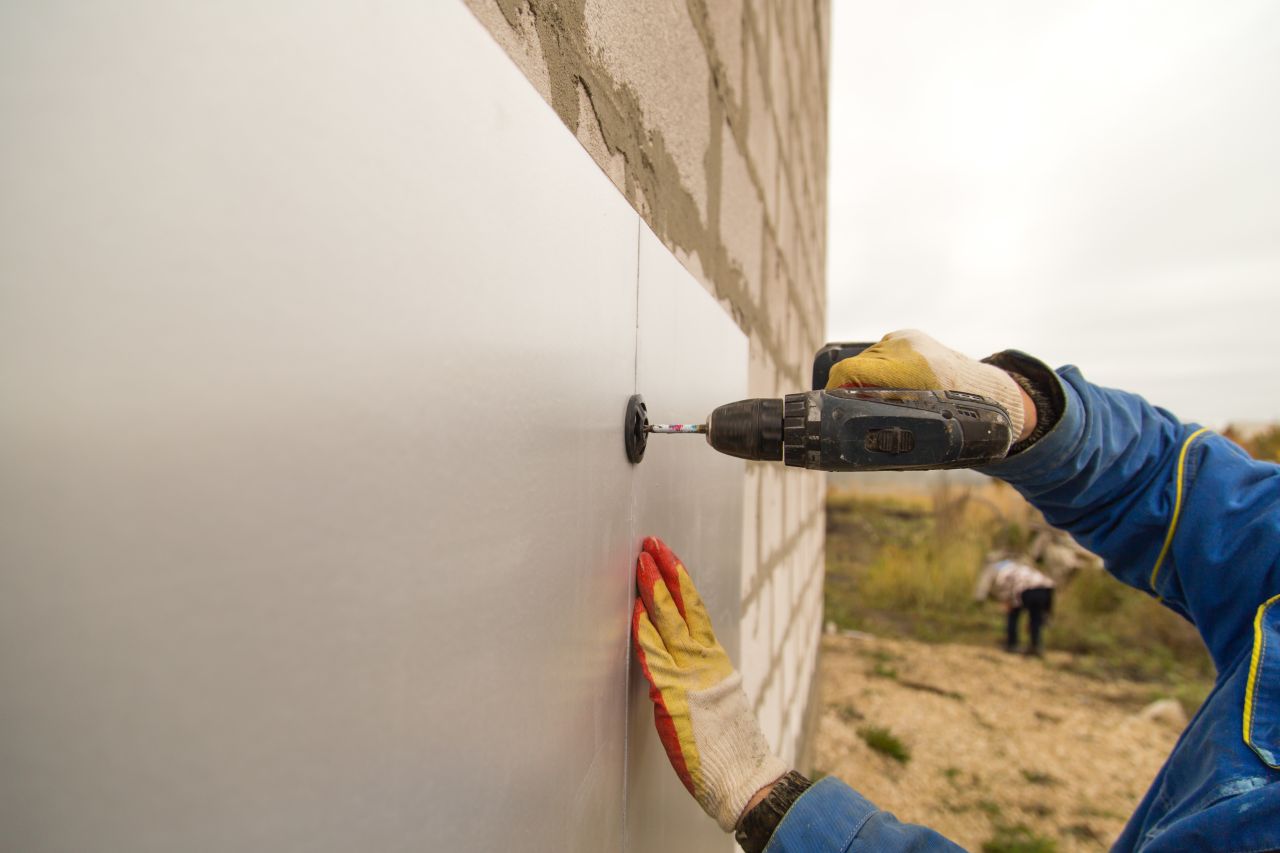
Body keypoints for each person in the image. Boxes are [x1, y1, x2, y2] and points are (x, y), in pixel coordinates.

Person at [631, 330, 1280, 852]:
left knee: (1025, 626)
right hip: (1030, 588)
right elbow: (1172, 486)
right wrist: (1020, 411)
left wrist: (763, 797)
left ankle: (1025, 651)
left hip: (1035, 596)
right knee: (1022, 624)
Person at [973, 555, 1056, 655]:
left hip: (1028, 589)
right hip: (1047, 589)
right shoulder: (1019, 566)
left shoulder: (1003, 571)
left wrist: (1008, 601)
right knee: (1035, 619)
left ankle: (1012, 643)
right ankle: (1036, 646)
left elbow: (1007, 588)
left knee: (1013, 614)